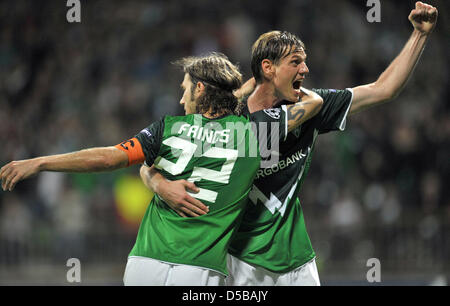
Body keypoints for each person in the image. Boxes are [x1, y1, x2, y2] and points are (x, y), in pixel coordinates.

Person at [141, 1, 438, 286]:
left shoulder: (310, 108)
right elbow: (150, 161)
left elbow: (382, 90)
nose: (305, 70)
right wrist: (159, 185)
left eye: (304, 62)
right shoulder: (227, 117)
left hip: (298, 263)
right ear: (268, 68)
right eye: (295, 63)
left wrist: (420, 34)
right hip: (238, 262)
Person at [0, 52, 323, 285]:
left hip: (145, 262)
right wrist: (272, 82)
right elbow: (311, 104)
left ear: (199, 90)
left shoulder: (168, 129)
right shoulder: (254, 133)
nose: (181, 99)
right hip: (200, 270)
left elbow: (110, 157)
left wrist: (41, 162)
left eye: (185, 88)